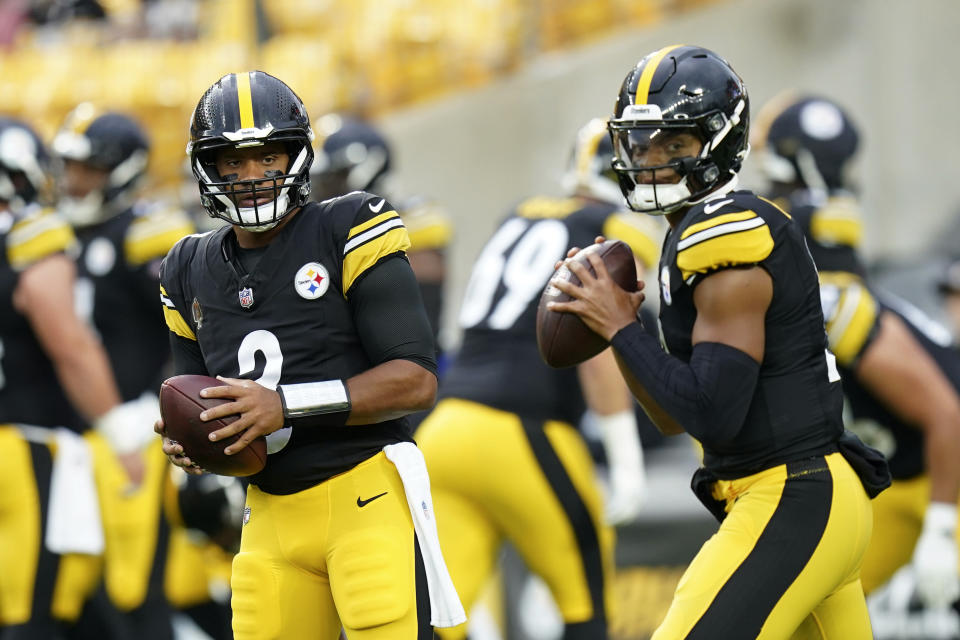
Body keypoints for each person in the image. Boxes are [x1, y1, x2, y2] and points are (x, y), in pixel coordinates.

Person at [549, 45, 889, 639]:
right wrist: (623, 328)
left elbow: (712, 410)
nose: (651, 160)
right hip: (807, 494)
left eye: (674, 145)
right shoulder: (692, 231)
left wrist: (621, 328)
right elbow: (673, 416)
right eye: (641, 143)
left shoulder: (726, 234)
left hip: (792, 494)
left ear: (719, 142)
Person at [154, 70, 464, 639]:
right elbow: (199, 398)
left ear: (296, 156)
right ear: (207, 167)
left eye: (268, 157)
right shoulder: (185, 266)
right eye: (232, 161)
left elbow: (415, 380)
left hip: (365, 493)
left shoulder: (348, 224)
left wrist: (286, 405)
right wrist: (193, 440)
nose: (252, 176)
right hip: (267, 511)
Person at [415, 117, 656, 639]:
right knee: (586, 602)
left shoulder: (520, 213)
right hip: (524, 429)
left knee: (437, 620)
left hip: (446, 431)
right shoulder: (615, 232)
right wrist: (625, 455)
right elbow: (595, 334)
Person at [754, 94, 960, 609]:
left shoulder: (832, 306)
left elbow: (947, 416)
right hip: (903, 476)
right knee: (809, 609)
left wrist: (942, 527)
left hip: (945, 474)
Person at [52, 104, 205, 639]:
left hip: (133, 431)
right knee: (77, 593)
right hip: (76, 436)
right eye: (70, 167)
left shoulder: (146, 231)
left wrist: (167, 408)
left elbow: (193, 328)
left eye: (87, 168)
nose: (74, 180)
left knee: (134, 590)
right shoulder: (61, 234)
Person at [0, 116, 146, 639]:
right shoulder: (31, 232)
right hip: (28, 447)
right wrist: (118, 435)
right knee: (41, 608)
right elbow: (72, 347)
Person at [310, 113, 453, 364]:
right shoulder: (327, 228)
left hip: (416, 369)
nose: (324, 187)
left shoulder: (417, 218)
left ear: (365, 170)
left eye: (334, 176)